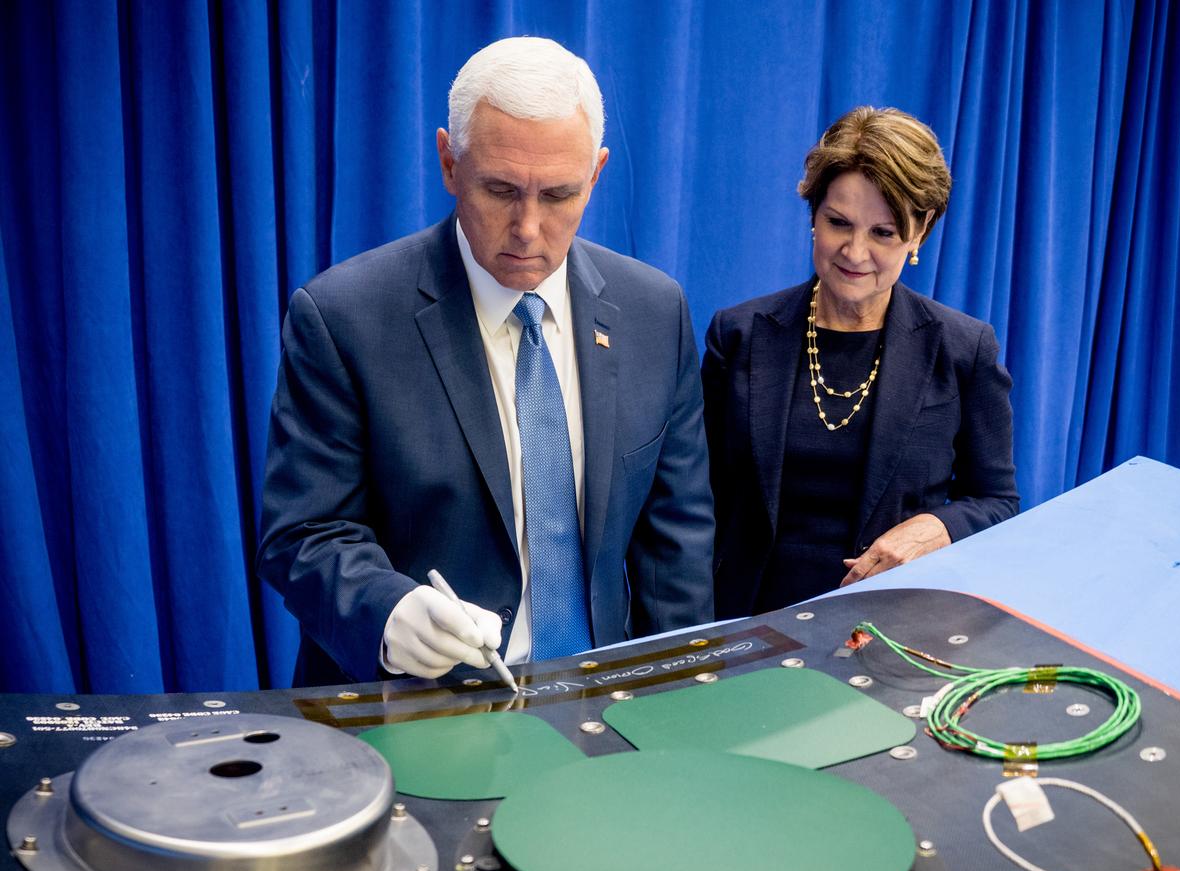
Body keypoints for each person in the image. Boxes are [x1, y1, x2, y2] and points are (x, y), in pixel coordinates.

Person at [258, 38, 714, 684]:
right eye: (500, 190)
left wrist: (679, 711)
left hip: (600, 714)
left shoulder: (653, 313)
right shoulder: (343, 319)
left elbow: (678, 554)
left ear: (597, 175)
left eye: (559, 196)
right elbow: (303, 534)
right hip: (416, 712)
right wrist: (389, 614)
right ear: (449, 162)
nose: (528, 228)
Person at [701, 106, 1017, 618]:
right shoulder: (739, 335)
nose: (854, 250)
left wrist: (936, 529)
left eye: (883, 233)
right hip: (745, 624)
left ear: (920, 233)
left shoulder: (963, 349)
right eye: (838, 223)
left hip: (889, 630)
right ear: (813, 216)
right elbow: (695, 499)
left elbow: (998, 501)